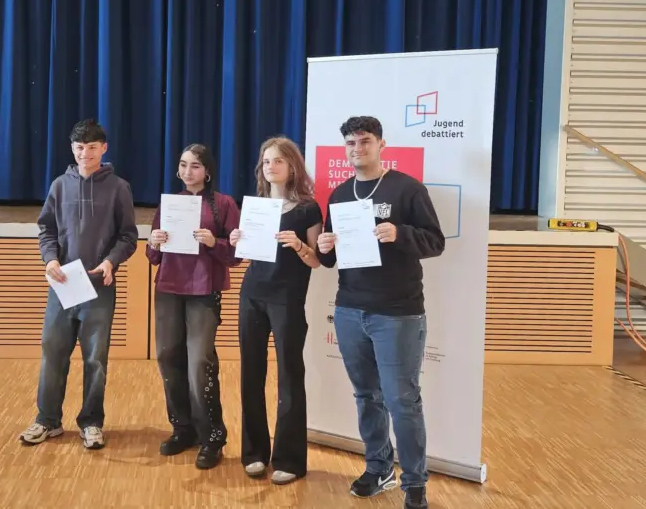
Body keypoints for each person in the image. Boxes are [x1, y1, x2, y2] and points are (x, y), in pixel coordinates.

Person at [316, 116, 445, 509]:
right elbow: (331, 260)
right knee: (366, 396)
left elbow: (435, 242)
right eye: (351, 143)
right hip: (350, 309)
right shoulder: (339, 194)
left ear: (381, 145)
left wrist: (400, 233)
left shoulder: (407, 188)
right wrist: (324, 246)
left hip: (397, 313)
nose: (358, 149)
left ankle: (415, 483)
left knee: (402, 400)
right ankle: (379, 467)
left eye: (365, 141)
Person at [20, 118, 138, 450]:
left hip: (98, 285)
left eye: (92, 147)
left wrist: (111, 261)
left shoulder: (119, 188)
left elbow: (128, 236)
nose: (85, 154)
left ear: (104, 148)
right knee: (53, 352)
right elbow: (47, 229)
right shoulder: (60, 185)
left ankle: (91, 423)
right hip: (63, 285)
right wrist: (50, 260)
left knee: (95, 359)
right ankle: (47, 420)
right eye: (80, 148)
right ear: (72, 149)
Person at [229, 137, 323, 485]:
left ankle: (290, 460)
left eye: (278, 161)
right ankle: (254, 452)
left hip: (287, 298)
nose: (271, 167)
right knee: (251, 373)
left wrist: (298, 245)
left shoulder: (308, 209)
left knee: (290, 375)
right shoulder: (255, 206)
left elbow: (316, 260)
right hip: (252, 294)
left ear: (292, 166)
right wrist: (236, 242)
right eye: (266, 161)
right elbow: (243, 258)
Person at [146, 144, 241, 470]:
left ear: (208, 171)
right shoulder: (169, 203)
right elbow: (153, 255)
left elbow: (236, 255)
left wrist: (215, 243)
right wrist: (154, 242)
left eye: (196, 166)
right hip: (168, 289)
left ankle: (212, 435)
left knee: (199, 363)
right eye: (184, 165)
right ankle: (182, 428)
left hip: (203, 291)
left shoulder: (224, 204)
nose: (188, 172)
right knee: (167, 357)